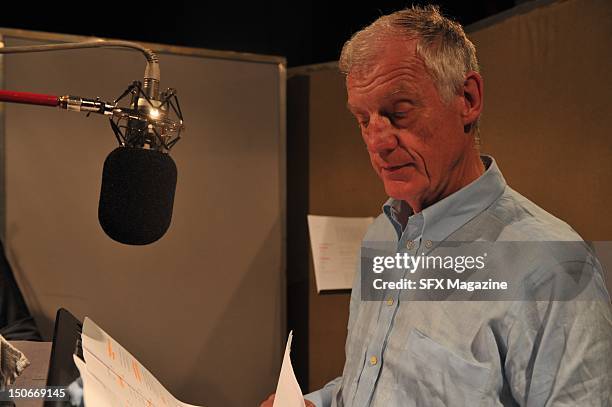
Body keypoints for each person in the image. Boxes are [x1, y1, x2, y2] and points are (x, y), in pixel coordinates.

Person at [262, 5, 611, 406]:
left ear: (467, 98)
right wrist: (316, 403)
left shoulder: (556, 269)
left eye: (399, 112)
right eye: (363, 119)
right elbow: (379, 381)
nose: (377, 142)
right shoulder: (381, 234)